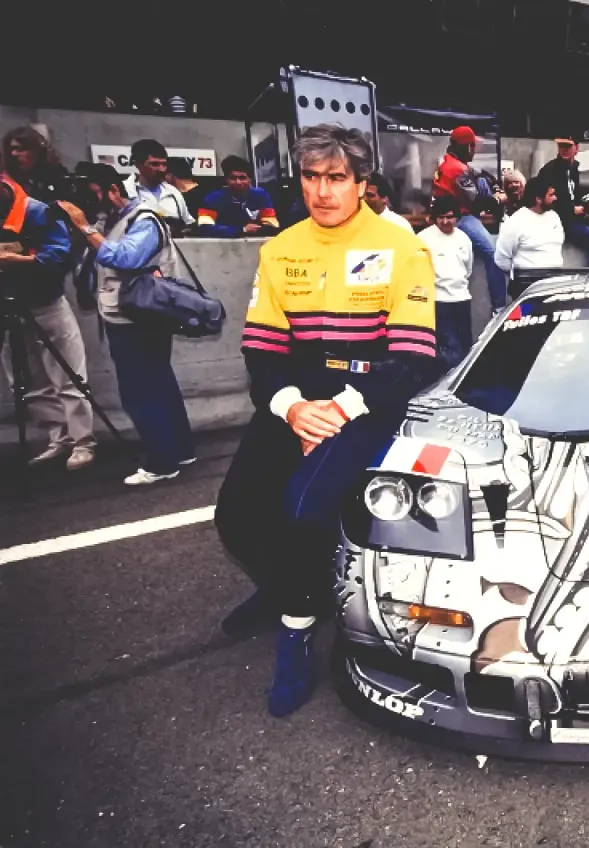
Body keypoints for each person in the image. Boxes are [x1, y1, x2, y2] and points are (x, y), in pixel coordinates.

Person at [213, 124, 443, 718]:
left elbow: (412, 360)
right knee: (236, 515)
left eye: (337, 177)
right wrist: (293, 406)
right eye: (311, 177)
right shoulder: (280, 248)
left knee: (302, 510)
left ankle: (298, 627)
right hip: (297, 397)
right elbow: (261, 351)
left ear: (362, 183)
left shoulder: (404, 248)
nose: (322, 191)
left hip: (367, 398)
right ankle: (284, 588)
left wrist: (339, 409)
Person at [58, 169, 197, 485]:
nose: (90, 201)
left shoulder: (143, 219)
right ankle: (180, 450)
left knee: (140, 391)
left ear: (112, 190)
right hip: (131, 315)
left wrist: (84, 226)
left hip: (138, 318)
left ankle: (162, 462)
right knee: (159, 383)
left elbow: (126, 258)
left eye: (94, 192)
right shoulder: (113, 220)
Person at [0, 177, 92, 470]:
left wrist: (18, 260)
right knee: (28, 382)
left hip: (46, 302)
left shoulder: (36, 211)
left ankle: (83, 441)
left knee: (69, 376)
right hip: (9, 306)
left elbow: (60, 254)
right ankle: (59, 437)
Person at [432, 126, 507, 314]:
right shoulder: (455, 168)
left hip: (458, 214)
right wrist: (498, 199)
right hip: (459, 218)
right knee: (494, 254)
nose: (474, 151)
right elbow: (478, 201)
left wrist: (493, 187)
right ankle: (499, 307)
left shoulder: (451, 163)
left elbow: (479, 178)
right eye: (472, 146)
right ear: (466, 147)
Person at [418, 195, 474, 369]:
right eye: (440, 217)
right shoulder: (423, 239)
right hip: (438, 301)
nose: (445, 222)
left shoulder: (464, 238)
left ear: (456, 217)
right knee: (447, 350)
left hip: (462, 299)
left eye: (449, 217)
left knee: (465, 347)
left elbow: (468, 269)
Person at [536, 135, 589, 266]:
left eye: (568, 146)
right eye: (561, 146)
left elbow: (574, 194)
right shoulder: (549, 170)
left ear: (576, 148)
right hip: (558, 221)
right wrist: (571, 209)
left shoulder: (574, 168)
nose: (564, 149)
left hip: (574, 219)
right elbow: (543, 200)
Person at [495, 174, 564, 292]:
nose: (555, 198)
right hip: (527, 284)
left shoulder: (554, 217)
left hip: (554, 282)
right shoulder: (516, 220)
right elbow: (501, 258)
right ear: (538, 199)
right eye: (551, 195)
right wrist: (519, 275)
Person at [196, 155, 280, 238]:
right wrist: (242, 230)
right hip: (222, 244)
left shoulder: (261, 195)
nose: (238, 182)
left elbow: (272, 225)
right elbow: (204, 227)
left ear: (250, 180)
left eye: (242, 178)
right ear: (226, 180)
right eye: (233, 178)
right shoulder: (213, 198)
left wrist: (259, 229)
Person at [122, 139, 195, 232]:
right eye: (154, 164)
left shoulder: (173, 192)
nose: (161, 169)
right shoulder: (125, 190)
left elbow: (189, 224)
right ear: (138, 165)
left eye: (164, 164)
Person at [2, 126, 72, 205]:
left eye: (21, 149)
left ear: (37, 150)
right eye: (11, 149)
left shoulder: (57, 176)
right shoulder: (6, 179)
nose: (13, 154)